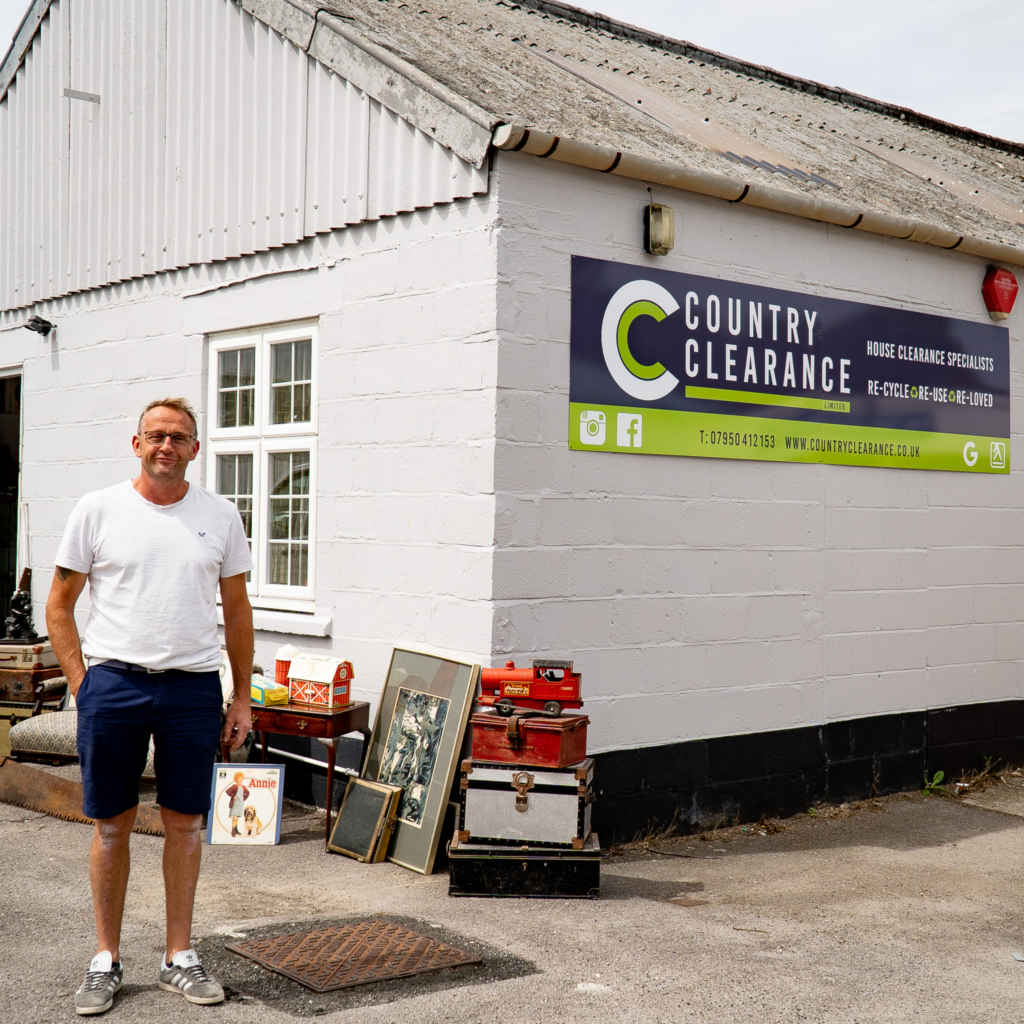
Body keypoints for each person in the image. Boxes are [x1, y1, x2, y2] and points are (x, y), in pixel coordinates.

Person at [45, 397, 254, 1016]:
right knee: (112, 824)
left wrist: (240, 694)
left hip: (192, 687)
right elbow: (59, 603)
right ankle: (106, 959)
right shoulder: (98, 510)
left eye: (180, 437)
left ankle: (178, 956)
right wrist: (82, 682)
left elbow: (237, 610)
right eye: (156, 436)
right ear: (136, 444)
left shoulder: (219, 515)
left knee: (186, 823)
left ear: (195, 449)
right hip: (114, 683)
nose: (167, 446)